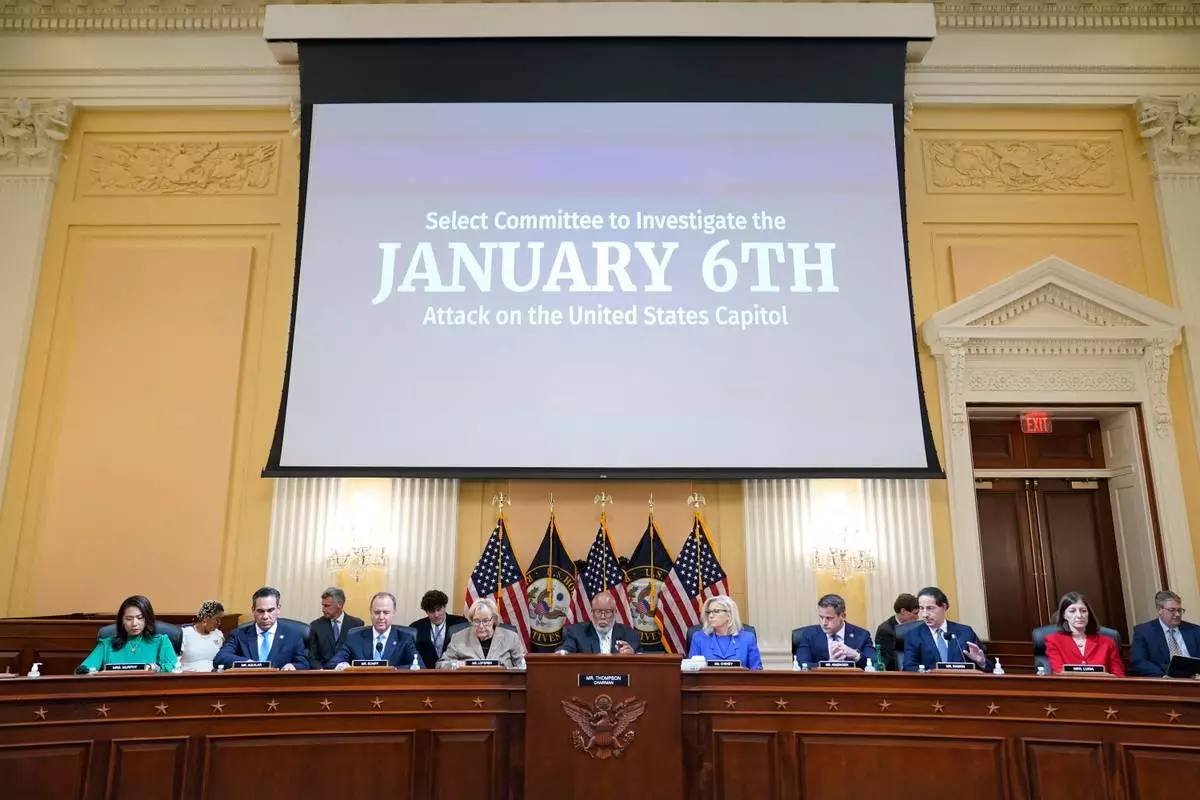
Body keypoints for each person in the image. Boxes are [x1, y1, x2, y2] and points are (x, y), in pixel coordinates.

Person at [215, 586, 309, 670]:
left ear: (278, 609)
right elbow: (221, 657)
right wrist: (248, 664)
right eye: (260, 611)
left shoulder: (292, 635)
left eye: (270, 610)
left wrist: (293, 666)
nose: (265, 616)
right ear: (253, 610)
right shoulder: (239, 635)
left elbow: (304, 663)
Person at [77, 595, 177, 673]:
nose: (134, 623)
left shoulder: (161, 641)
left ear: (147, 619)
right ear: (122, 620)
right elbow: (82, 670)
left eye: (140, 618)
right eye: (129, 619)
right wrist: (86, 671)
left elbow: (172, 669)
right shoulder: (106, 644)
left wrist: (152, 668)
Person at [903, 586, 991, 672]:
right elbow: (908, 668)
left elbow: (990, 668)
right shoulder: (913, 636)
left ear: (944, 607)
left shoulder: (965, 632)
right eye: (922, 608)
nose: (924, 614)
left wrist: (981, 662)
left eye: (930, 608)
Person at [330, 592, 418, 669]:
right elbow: (332, 663)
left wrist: (390, 670)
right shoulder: (354, 638)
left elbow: (418, 666)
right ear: (371, 612)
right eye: (377, 612)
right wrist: (345, 667)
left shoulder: (405, 639)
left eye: (386, 612)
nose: (381, 617)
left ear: (393, 613)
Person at [1044, 592, 1124, 675]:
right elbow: (1059, 672)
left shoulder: (1107, 642)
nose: (1079, 615)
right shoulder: (1053, 641)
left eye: (1083, 611)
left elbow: (1118, 676)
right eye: (1072, 611)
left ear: (1089, 614)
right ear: (1064, 615)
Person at [438, 598, 526, 669]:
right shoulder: (458, 638)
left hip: (502, 684)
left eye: (485, 621)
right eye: (476, 621)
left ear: (494, 620)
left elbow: (523, 667)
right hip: (469, 683)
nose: (481, 626)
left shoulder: (511, 637)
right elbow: (440, 664)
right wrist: (459, 664)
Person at [794, 593, 876, 669]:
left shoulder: (862, 635)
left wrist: (856, 656)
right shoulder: (809, 635)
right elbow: (801, 665)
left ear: (843, 616)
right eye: (821, 617)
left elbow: (875, 664)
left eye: (829, 618)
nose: (824, 623)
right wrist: (829, 664)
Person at [1130, 590, 1200, 677]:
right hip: (1163, 680)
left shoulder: (1195, 630)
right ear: (1159, 610)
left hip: (1195, 678)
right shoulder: (1144, 632)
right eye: (1172, 610)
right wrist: (1163, 677)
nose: (1177, 614)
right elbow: (1139, 661)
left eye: (1179, 610)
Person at [688, 595, 763, 670]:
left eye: (716, 611)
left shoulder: (747, 638)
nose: (710, 616)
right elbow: (691, 670)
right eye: (709, 612)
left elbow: (757, 671)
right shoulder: (699, 638)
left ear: (729, 615)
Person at [559, 590, 641, 654]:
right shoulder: (576, 633)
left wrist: (633, 655)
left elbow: (642, 656)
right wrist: (562, 652)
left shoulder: (630, 635)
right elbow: (565, 649)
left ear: (615, 612)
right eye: (598, 612)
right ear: (592, 612)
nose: (602, 617)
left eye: (607, 612)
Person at [410, 589, 468, 669]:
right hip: (426, 672)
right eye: (432, 611)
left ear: (444, 607)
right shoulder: (416, 628)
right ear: (426, 612)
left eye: (438, 609)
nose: (436, 615)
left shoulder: (460, 624)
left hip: (453, 672)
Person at [307, 587, 363, 669]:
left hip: (349, 673)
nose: (323, 609)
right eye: (323, 605)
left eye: (327, 606)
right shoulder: (315, 626)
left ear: (339, 604)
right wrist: (322, 671)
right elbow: (312, 657)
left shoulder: (357, 625)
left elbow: (359, 655)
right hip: (323, 672)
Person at [874, 593, 919, 671]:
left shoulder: (916, 626)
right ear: (903, 611)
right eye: (915, 613)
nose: (917, 617)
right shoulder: (885, 630)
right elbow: (893, 659)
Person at [179, 600, 225, 673]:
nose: (219, 623)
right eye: (217, 619)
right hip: (189, 675)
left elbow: (223, 657)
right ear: (206, 618)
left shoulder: (218, 634)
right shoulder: (185, 633)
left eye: (220, 619)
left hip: (213, 675)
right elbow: (176, 662)